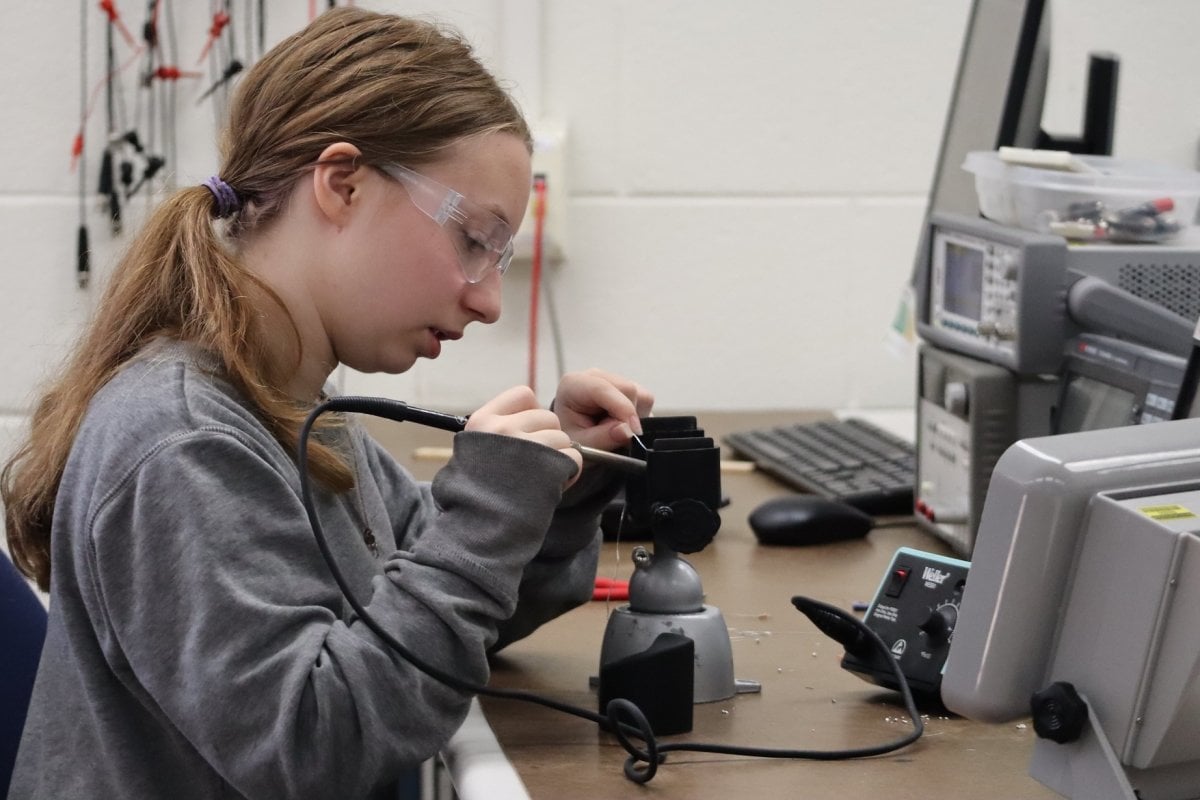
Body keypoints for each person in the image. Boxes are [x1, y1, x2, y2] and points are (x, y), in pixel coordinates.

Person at [1, 8, 652, 799]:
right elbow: (314, 752)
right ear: (341, 184)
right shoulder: (180, 440)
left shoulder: (296, 411)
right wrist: (485, 519)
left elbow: (436, 625)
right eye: (473, 239)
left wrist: (550, 500)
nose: (488, 302)